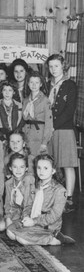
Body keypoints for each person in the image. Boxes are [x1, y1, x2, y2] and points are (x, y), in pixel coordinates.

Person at [6, 154, 75, 245]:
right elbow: (28, 204)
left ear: (53, 170)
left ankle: (55, 239)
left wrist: (34, 221)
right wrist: (26, 217)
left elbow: (54, 216)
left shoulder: (60, 190)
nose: (41, 171)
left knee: (21, 239)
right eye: (39, 168)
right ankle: (32, 235)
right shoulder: (35, 185)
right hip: (32, 220)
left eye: (45, 168)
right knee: (10, 232)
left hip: (47, 226)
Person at [46, 54, 78, 213]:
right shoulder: (46, 84)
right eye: (50, 66)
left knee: (67, 163)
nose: (53, 69)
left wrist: (53, 126)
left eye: (56, 66)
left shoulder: (70, 85)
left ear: (63, 66)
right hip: (49, 130)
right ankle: (52, 197)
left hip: (64, 129)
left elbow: (69, 110)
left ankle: (70, 197)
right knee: (50, 164)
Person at [0, 153, 34, 233]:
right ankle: (15, 226)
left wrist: (25, 219)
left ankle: (19, 228)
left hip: (27, 213)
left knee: (11, 232)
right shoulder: (9, 183)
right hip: (15, 213)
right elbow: (7, 204)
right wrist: (8, 218)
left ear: (26, 168)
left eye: (22, 167)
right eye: (15, 167)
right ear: (10, 168)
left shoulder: (29, 180)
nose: (18, 170)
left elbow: (28, 204)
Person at [22, 71, 53, 156]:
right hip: (27, 134)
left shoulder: (45, 100)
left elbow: (49, 123)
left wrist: (44, 142)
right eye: (31, 82)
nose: (34, 85)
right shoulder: (25, 101)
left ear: (41, 84)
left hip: (39, 135)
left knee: (38, 160)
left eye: (37, 82)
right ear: (28, 84)